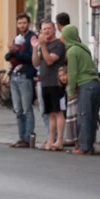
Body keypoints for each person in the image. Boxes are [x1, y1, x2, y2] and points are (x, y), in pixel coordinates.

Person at [62, 25, 100, 155]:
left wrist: (71, 91)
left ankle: (84, 147)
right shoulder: (84, 48)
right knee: (92, 118)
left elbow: (72, 73)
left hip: (85, 85)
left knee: (84, 116)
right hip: (96, 84)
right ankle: (90, 145)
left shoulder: (72, 51)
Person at [31, 20, 66, 150]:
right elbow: (35, 63)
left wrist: (43, 46)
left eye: (49, 29)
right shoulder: (42, 45)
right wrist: (35, 47)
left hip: (56, 82)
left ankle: (60, 141)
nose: (46, 31)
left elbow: (50, 61)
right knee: (50, 113)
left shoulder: (58, 45)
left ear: (54, 30)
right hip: (44, 82)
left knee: (58, 112)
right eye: (44, 29)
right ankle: (51, 140)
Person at [5, 13, 37, 148]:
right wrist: (11, 52)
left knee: (26, 109)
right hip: (14, 75)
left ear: (28, 24)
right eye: (19, 23)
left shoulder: (32, 38)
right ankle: (21, 137)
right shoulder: (17, 39)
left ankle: (28, 138)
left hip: (25, 76)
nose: (22, 25)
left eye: (24, 23)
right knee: (18, 109)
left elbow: (31, 58)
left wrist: (16, 51)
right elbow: (8, 57)